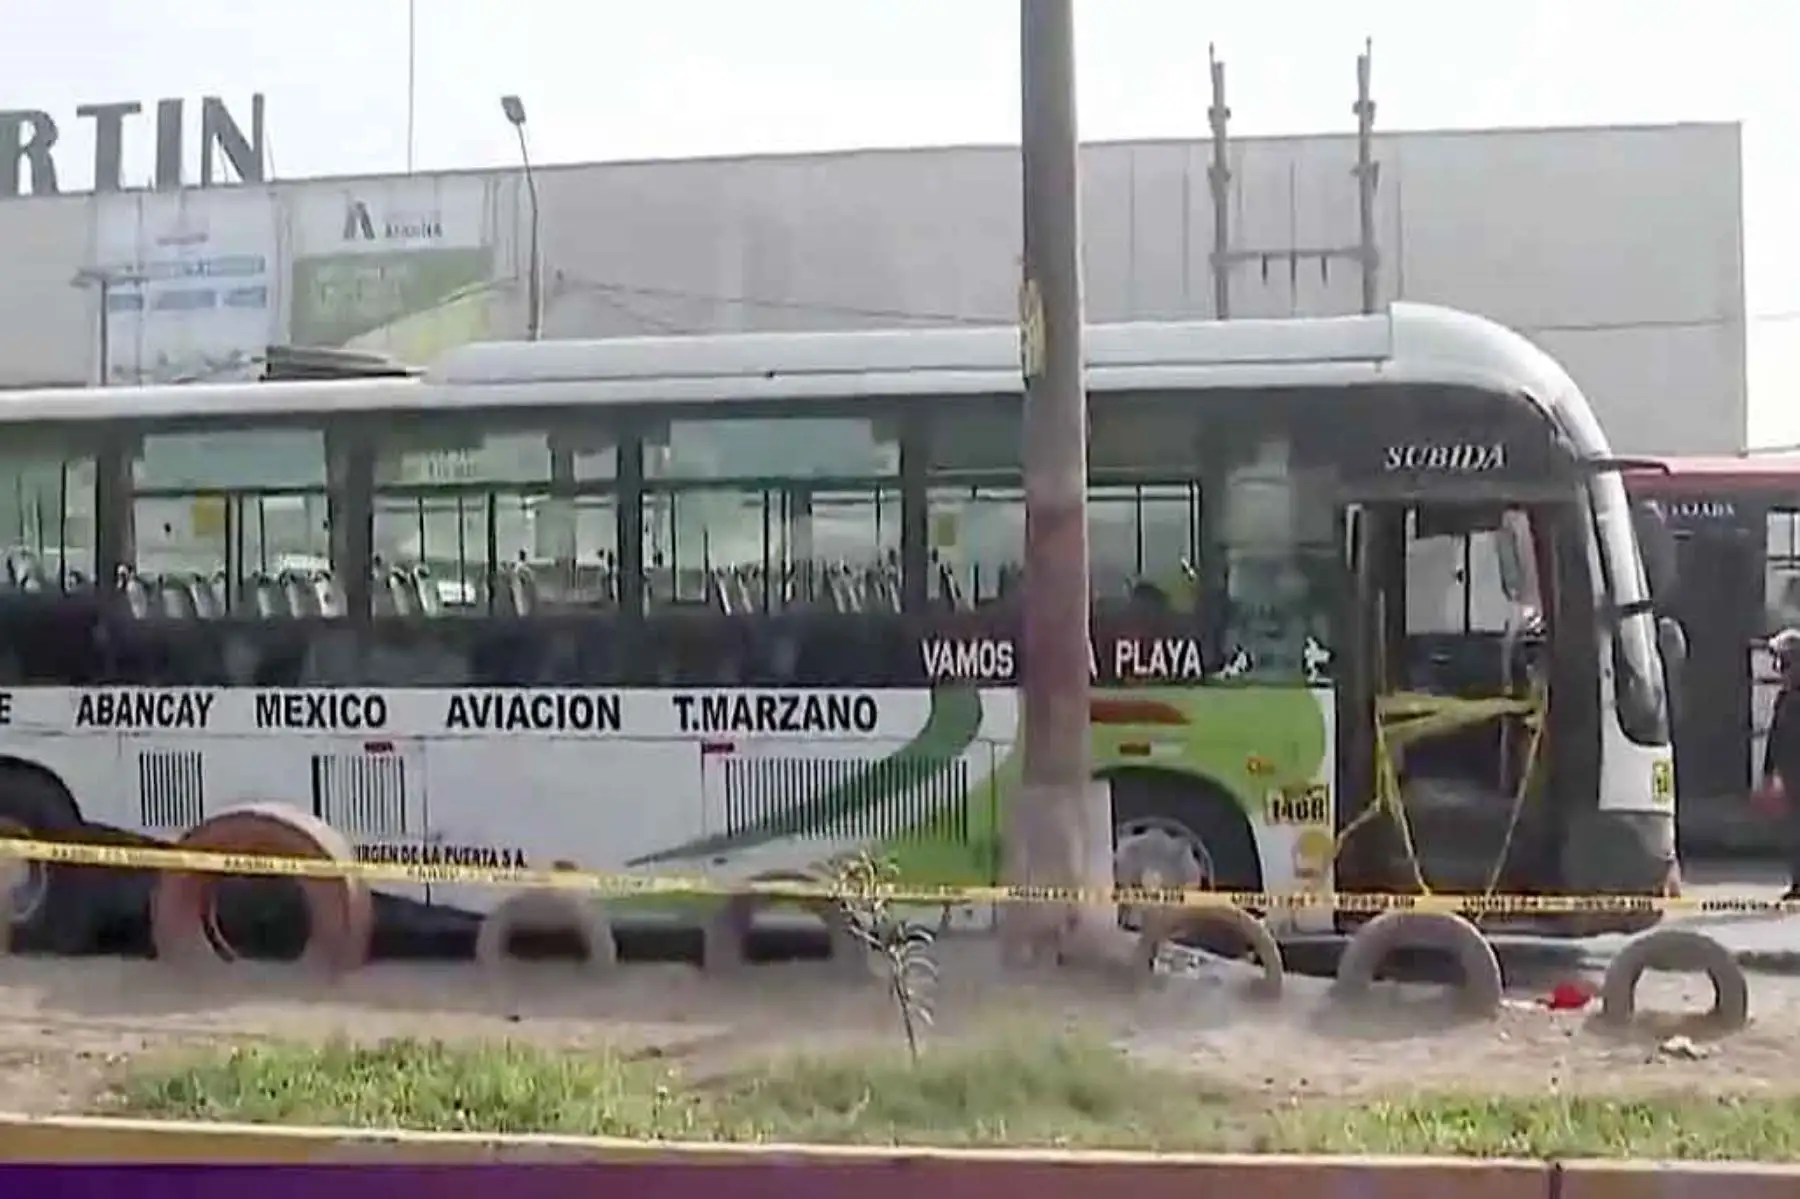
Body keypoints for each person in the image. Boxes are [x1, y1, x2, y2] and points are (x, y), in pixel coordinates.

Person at [1754, 627, 1800, 900]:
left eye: (1787, 663)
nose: (1782, 670)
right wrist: (1769, 773)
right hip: (1794, 776)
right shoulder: (1785, 698)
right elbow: (1775, 736)